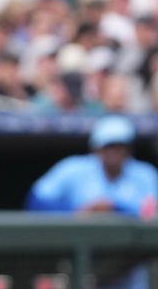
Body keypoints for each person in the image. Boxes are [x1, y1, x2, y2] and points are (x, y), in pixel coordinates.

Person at [26, 115, 158, 289]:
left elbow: (152, 216)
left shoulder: (144, 174)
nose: (116, 152)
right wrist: (75, 212)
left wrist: (114, 207)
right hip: (84, 265)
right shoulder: (74, 168)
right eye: (109, 145)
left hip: (129, 270)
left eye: (121, 146)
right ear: (96, 147)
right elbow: (36, 202)